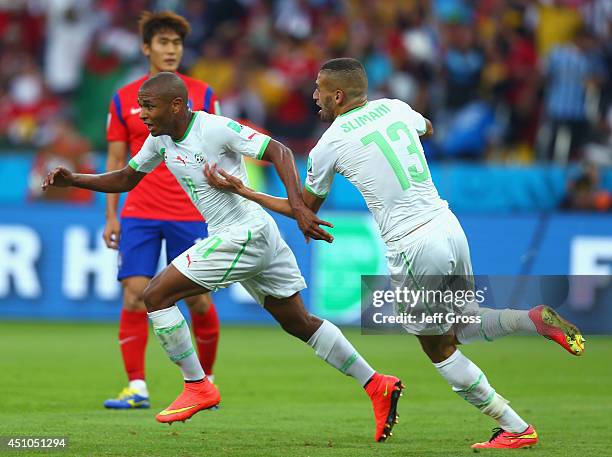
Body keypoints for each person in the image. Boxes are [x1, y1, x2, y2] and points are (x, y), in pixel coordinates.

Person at [204, 58, 586, 450]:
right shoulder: (394, 107)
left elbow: (304, 209)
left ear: (337, 95)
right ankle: (531, 320)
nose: (313, 95)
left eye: (319, 88)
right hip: (448, 225)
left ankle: (515, 426)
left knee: (439, 347)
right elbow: (428, 127)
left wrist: (243, 189)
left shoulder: (328, 145)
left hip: (412, 243)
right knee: (464, 323)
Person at [42, 71, 404, 442]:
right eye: (140, 107)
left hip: (244, 233)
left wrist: (298, 207)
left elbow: (278, 151)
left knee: (155, 296)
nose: (142, 114)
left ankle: (197, 385)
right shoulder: (160, 141)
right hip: (250, 235)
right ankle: (376, 383)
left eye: (149, 107)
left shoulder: (214, 129)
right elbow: (125, 178)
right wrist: (75, 180)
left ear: (177, 105)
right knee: (299, 322)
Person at [102, 11, 220, 410]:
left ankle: (207, 383)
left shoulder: (202, 94)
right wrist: (111, 214)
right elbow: (117, 159)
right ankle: (137, 387)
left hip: (190, 210)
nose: (171, 50)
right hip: (140, 210)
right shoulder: (123, 98)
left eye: (177, 44)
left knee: (199, 301)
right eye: (164, 43)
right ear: (146, 48)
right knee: (135, 296)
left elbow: (216, 147)